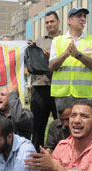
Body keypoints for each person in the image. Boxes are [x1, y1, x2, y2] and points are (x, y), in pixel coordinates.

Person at [49, 8, 92, 108]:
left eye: (84, 16)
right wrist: (65, 54)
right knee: (64, 124)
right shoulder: (57, 40)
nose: (83, 19)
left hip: (84, 94)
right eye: (79, 16)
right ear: (69, 20)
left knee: (83, 123)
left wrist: (78, 55)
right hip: (62, 94)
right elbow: (51, 66)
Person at [28, 11, 60, 151]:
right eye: (47, 22)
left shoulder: (65, 40)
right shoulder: (39, 41)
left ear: (58, 22)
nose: (49, 24)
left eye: (52, 21)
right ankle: (35, 155)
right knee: (37, 125)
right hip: (40, 87)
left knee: (60, 124)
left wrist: (50, 58)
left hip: (59, 87)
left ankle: (59, 155)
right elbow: (32, 62)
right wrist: (31, 48)